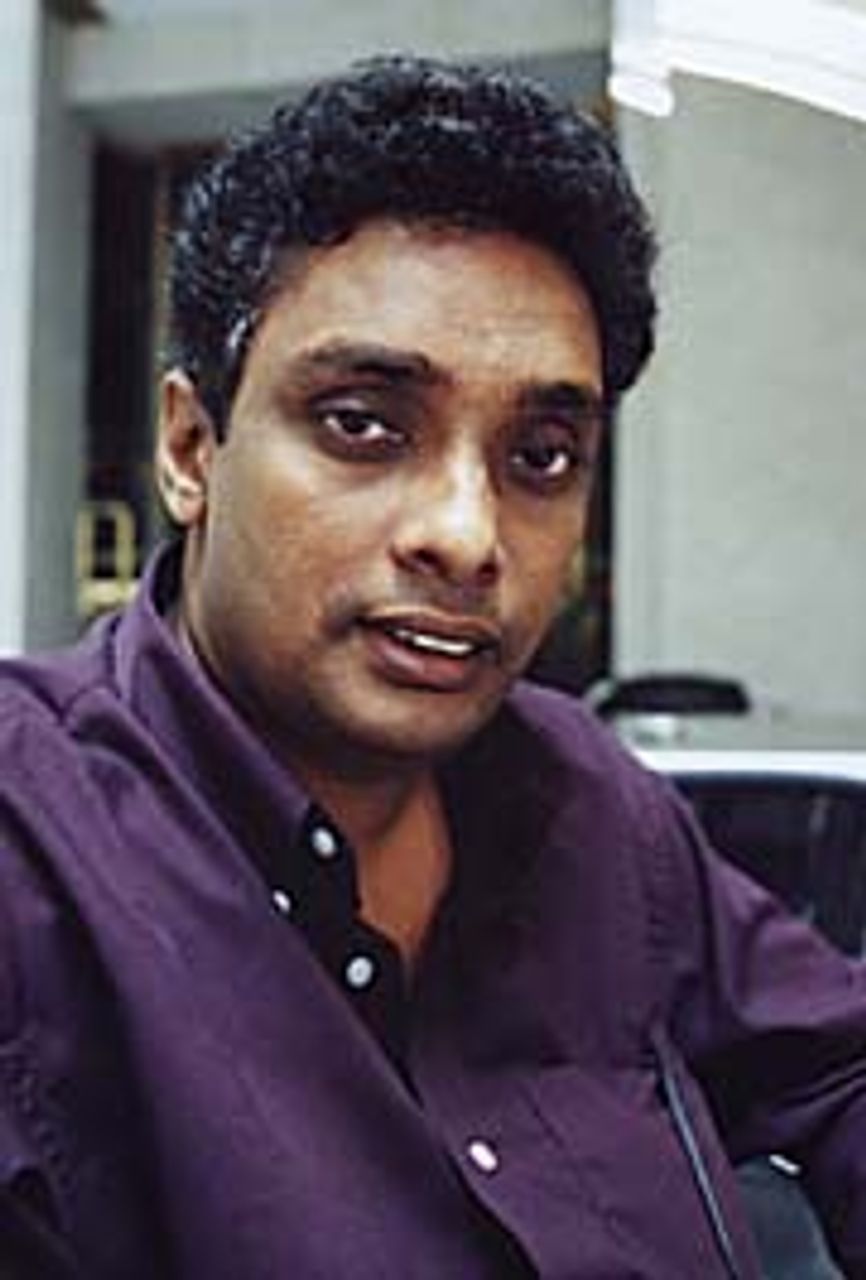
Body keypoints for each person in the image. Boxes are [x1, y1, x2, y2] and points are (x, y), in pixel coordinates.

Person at [0, 54, 863, 1280]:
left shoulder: (582, 795)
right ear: (192, 449)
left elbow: (835, 1064)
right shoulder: (35, 861)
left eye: (541, 454)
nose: (466, 533)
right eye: (362, 423)